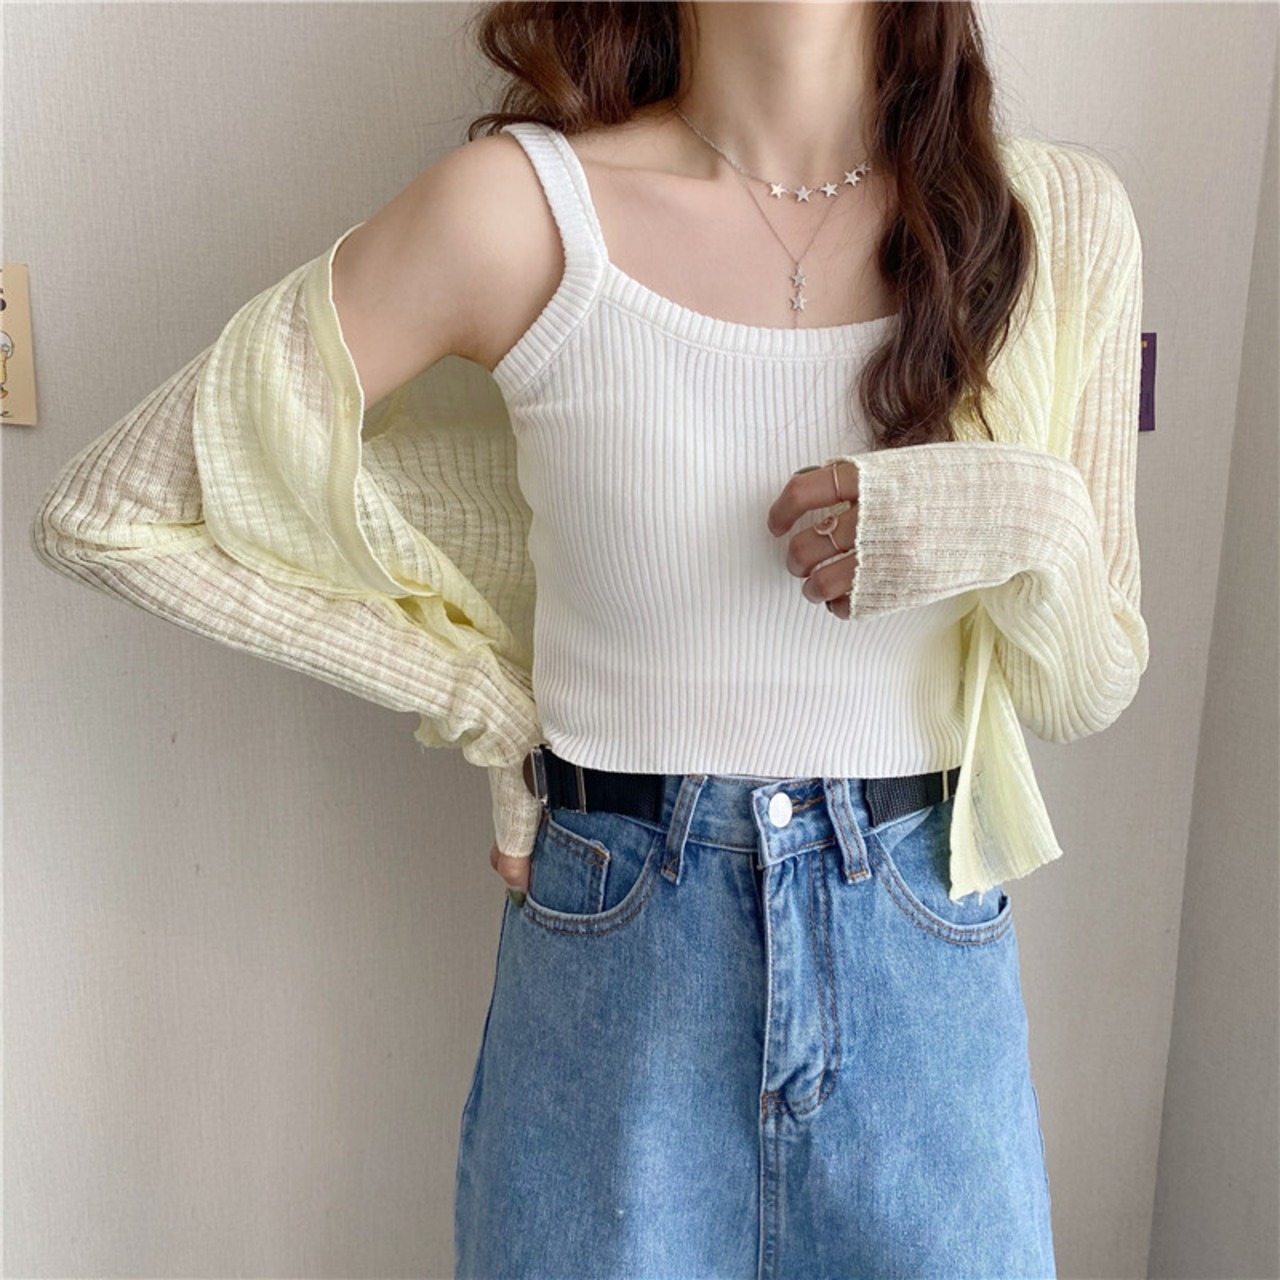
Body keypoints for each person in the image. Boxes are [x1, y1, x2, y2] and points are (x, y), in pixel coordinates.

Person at [32, 1, 1148, 1275]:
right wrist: (482, 702)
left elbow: (1083, 689)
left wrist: (1027, 516)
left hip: (923, 967)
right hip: (620, 955)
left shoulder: (1048, 221)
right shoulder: (521, 215)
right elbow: (111, 512)